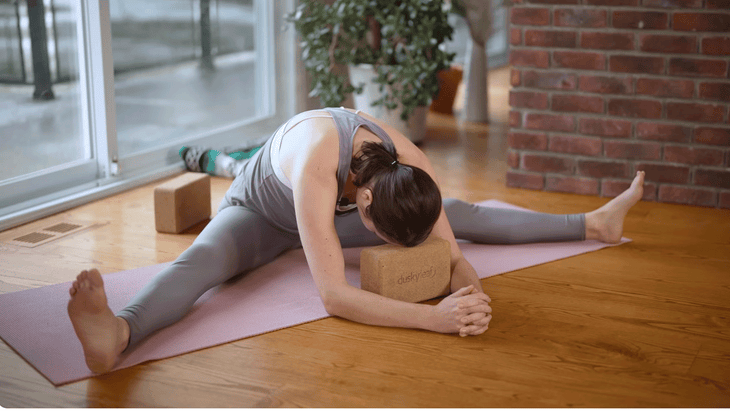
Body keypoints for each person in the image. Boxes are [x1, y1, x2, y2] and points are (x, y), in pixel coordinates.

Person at [67, 107, 646, 373]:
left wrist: (470, 290)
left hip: (331, 211)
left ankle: (594, 224)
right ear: (365, 206)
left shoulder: (406, 164)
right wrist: (435, 319)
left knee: (466, 212)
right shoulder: (320, 162)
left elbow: (452, 249)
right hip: (261, 213)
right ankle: (119, 332)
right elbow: (334, 298)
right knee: (205, 262)